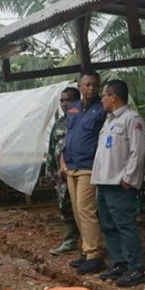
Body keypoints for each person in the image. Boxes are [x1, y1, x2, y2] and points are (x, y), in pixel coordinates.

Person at [91, 80, 145, 286]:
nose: (101, 99)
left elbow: (138, 151)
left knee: (125, 226)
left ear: (113, 96)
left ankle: (136, 268)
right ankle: (119, 263)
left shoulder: (132, 119)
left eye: (104, 95)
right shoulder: (109, 121)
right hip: (104, 182)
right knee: (108, 226)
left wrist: (129, 178)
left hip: (119, 183)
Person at [61, 71, 106, 274]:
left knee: (86, 210)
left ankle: (94, 254)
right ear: (79, 86)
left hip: (88, 166)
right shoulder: (74, 108)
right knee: (78, 210)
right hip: (71, 165)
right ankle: (86, 250)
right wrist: (63, 159)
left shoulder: (102, 109)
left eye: (94, 85)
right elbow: (69, 135)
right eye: (87, 84)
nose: (91, 88)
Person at [48, 88, 81, 255]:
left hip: (79, 173)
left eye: (68, 100)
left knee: (83, 208)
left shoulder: (83, 120)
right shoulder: (59, 123)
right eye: (62, 100)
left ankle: (88, 244)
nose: (64, 104)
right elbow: (52, 148)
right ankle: (70, 241)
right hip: (62, 176)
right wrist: (52, 172)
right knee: (65, 206)